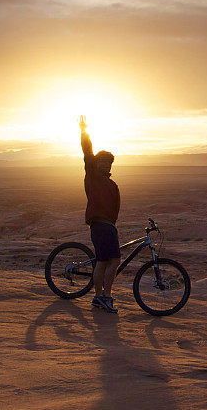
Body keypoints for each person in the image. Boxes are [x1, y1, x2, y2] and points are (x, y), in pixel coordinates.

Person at [79, 115, 121, 313]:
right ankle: (103, 297)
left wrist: (112, 225)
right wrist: (84, 131)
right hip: (100, 224)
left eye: (109, 162)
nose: (106, 165)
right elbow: (88, 152)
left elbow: (115, 209)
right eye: (102, 162)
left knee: (106, 261)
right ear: (96, 164)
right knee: (109, 261)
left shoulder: (113, 185)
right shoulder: (93, 176)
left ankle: (101, 297)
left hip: (108, 226)